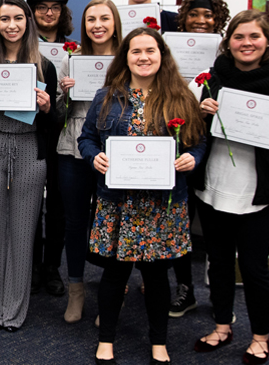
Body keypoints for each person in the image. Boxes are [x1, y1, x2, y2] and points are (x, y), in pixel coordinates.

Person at [191, 10, 269, 365]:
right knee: (217, 263)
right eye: (239, 37)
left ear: (266, 42)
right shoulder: (208, 80)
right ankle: (221, 326)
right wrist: (198, 114)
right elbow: (181, 129)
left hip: (262, 193)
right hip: (214, 188)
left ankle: (261, 336)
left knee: (254, 266)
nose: (246, 43)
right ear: (228, 43)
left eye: (254, 37)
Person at [78, 27, 206, 364]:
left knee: (156, 277)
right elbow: (87, 138)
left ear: (161, 55)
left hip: (161, 205)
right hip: (118, 202)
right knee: (114, 274)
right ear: (126, 57)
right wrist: (95, 157)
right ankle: (106, 341)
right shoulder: (106, 97)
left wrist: (194, 158)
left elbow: (199, 141)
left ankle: (158, 343)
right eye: (136, 51)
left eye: (150, 50)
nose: (143, 57)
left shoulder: (181, 97)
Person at [0, 0, 60, 331]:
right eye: (5, 19)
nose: (12, 25)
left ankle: (14, 310)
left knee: (23, 234)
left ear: (28, 21)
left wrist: (49, 108)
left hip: (30, 150)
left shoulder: (44, 65)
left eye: (18, 18)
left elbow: (55, 123)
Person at [55, 0, 123, 324]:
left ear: (115, 23)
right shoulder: (72, 61)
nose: (97, 25)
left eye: (104, 18)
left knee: (113, 221)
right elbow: (55, 112)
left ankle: (113, 291)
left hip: (114, 152)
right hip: (73, 148)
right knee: (75, 222)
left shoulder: (128, 59)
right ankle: (77, 289)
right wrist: (64, 94)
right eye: (91, 19)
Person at [166, 0, 231, 319]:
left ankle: (220, 297)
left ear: (218, 19)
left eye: (209, 16)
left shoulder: (228, 51)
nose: (202, 21)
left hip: (220, 153)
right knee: (180, 222)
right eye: (195, 15)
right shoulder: (171, 51)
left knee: (216, 233)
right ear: (184, 17)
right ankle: (185, 289)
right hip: (184, 147)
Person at [27, 0, 75, 297]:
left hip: (62, 129)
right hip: (30, 129)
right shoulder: (22, 48)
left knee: (57, 204)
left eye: (54, 7)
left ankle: (52, 267)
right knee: (29, 201)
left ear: (62, 12)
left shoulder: (76, 52)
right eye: (42, 7)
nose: (48, 13)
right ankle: (31, 266)